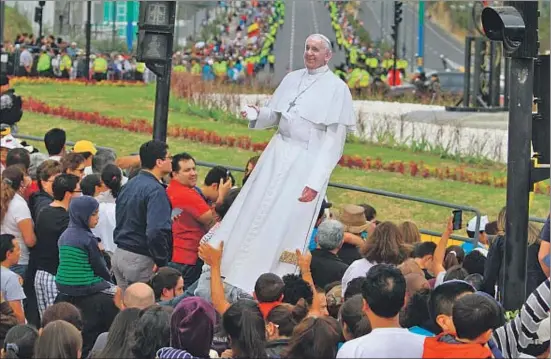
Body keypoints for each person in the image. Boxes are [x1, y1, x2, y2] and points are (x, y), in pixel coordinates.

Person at [208, 33, 356, 293]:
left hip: (305, 162)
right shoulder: (292, 78)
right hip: (276, 154)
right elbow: (275, 116)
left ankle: (272, 277)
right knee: (254, 208)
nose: (310, 53)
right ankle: (232, 266)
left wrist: (315, 181)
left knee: (284, 220)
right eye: (307, 47)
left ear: (328, 55)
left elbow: (334, 144)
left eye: (316, 49)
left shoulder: (337, 88)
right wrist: (257, 114)